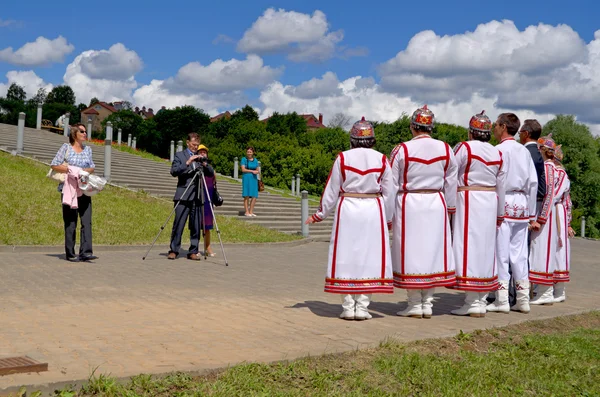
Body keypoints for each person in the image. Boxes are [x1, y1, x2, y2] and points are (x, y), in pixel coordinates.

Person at [305, 117, 396, 321]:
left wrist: (319, 214)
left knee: (345, 254)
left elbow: (332, 189)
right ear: (372, 139)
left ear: (352, 138)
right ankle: (363, 306)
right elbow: (390, 192)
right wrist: (388, 219)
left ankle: (347, 306)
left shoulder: (343, 158)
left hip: (348, 208)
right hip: (373, 209)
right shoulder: (381, 159)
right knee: (369, 256)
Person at [390, 105, 458, 319]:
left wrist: (388, 214)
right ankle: (427, 302)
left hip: (409, 201)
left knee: (410, 250)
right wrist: (450, 208)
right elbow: (451, 181)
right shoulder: (446, 149)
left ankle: (414, 303)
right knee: (432, 250)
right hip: (435, 202)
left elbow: (390, 183)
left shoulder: (401, 149)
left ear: (412, 127)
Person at [450, 111, 505, 317]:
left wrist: (450, 205)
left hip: (469, 198)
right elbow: (501, 184)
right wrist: (500, 213)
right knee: (486, 247)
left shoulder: (463, 147)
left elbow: (451, 175)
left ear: (471, 131)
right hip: (490, 200)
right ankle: (480, 298)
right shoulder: (496, 152)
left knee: (467, 246)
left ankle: (472, 301)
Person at [486, 113, 538, 314]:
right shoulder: (523, 151)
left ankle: (501, 299)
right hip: (522, 204)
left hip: (504, 202)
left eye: (497, 125)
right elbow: (533, 182)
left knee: (501, 253)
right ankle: (523, 299)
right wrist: (532, 212)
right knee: (519, 254)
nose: (494, 129)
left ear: (504, 126)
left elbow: (497, 180)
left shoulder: (498, 150)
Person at [50, 123, 97, 262]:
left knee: (86, 221)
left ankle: (86, 252)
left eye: (85, 132)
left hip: (83, 188)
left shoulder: (88, 149)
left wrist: (83, 172)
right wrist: (71, 170)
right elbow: (54, 164)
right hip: (69, 189)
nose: (85, 134)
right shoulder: (66, 148)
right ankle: (70, 253)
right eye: (82, 131)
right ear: (74, 134)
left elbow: (92, 166)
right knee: (70, 221)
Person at [529, 135, 559, 305]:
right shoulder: (551, 167)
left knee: (541, 251)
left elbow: (548, 194)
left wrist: (541, 218)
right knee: (541, 251)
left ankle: (545, 292)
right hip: (545, 212)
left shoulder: (548, 168)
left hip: (544, 213)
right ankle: (542, 291)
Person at [167, 133, 204, 261]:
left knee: (195, 225)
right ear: (187, 142)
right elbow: (174, 171)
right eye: (193, 145)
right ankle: (174, 250)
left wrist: (204, 163)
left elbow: (208, 172)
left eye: (197, 145)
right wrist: (188, 163)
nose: (195, 147)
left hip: (196, 195)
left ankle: (193, 250)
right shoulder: (180, 155)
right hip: (183, 194)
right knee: (179, 224)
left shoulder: (200, 157)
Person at [553, 145, 575, 302]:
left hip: (557, 211)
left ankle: (559, 290)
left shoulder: (561, 174)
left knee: (559, 249)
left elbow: (567, 202)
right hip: (554, 209)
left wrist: (567, 223)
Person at [196, 144, 217, 257]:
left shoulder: (209, 167)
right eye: (201, 151)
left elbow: (212, 175)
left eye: (205, 152)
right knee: (197, 224)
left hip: (208, 199)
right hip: (198, 197)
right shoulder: (195, 166)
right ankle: (195, 247)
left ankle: (207, 247)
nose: (203, 153)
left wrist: (205, 164)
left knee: (207, 225)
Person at [241, 147, 260, 217]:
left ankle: (251, 211)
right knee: (246, 195)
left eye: (250, 152)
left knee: (254, 195)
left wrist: (256, 172)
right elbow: (243, 169)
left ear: (253, 153)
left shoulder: (255, 160)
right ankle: (246, 211)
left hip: (254, 179)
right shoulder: (244, 159)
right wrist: (252, 171)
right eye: (248, 152)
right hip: (246, 178)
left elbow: (258, 170)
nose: (249, 153)